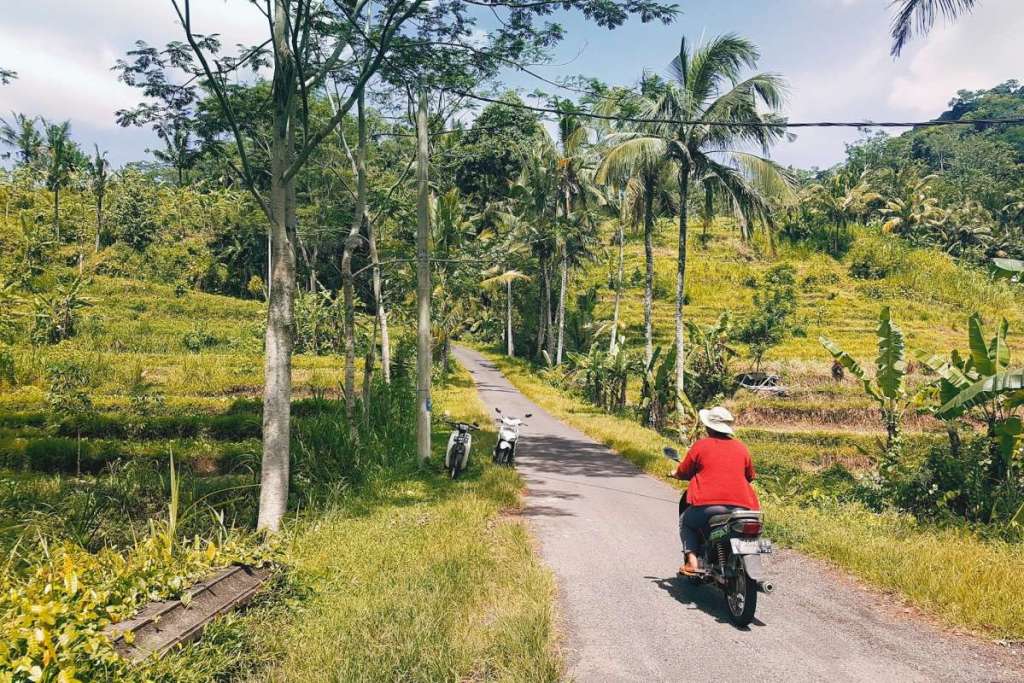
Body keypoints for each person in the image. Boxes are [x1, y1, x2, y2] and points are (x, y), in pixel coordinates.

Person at [670, 406, 759, 576]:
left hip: (707, 505)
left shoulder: (701, 446)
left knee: (686, 522)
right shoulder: (742, 448)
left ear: (709, 427)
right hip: (744, 508)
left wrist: (675, 473)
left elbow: (684, 471)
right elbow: (750, 476)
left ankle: (692, 562)